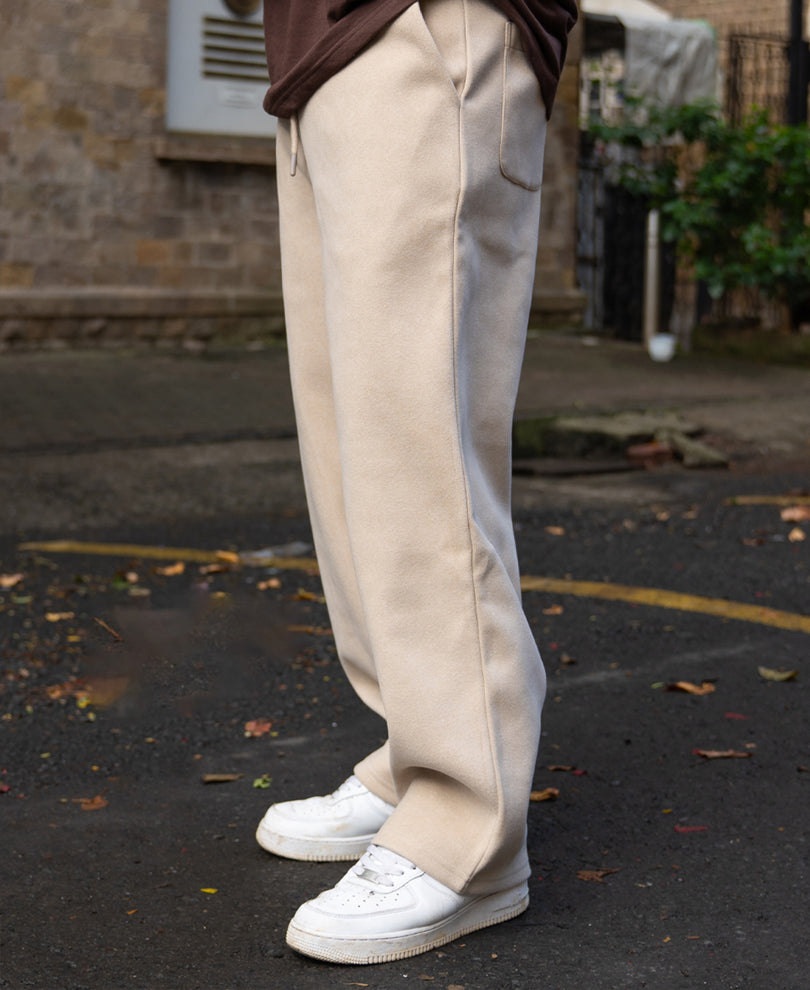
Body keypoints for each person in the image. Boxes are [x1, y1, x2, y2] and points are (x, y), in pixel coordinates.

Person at [256, 0, 577, 965]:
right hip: (319, 54)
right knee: (354, 443)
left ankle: (466, 827)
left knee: (420, 443)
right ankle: (415, 755)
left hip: (428, 25)